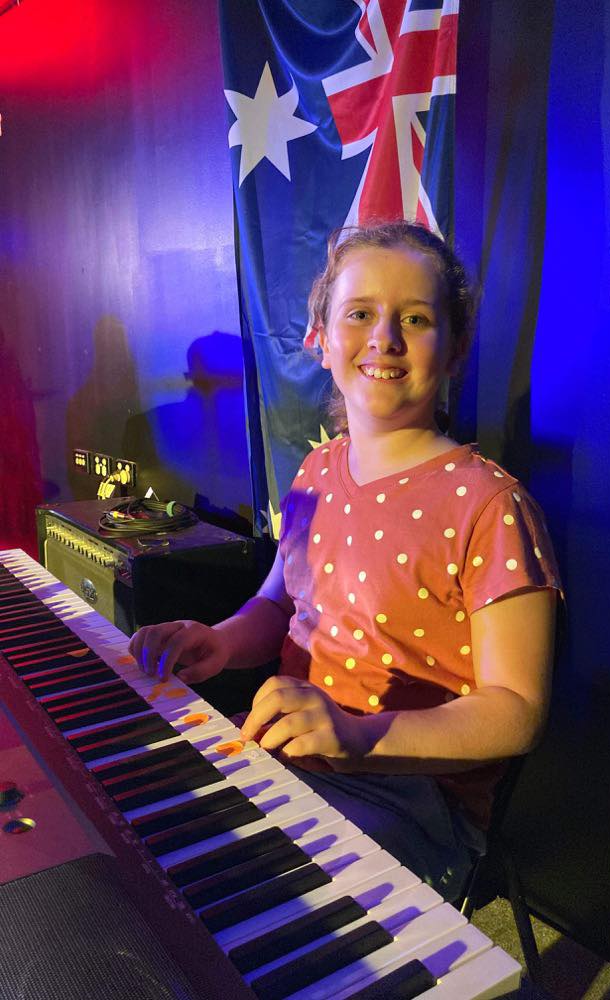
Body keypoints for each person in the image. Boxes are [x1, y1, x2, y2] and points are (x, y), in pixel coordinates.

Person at [129, 221, 561, 902]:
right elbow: (276, 607)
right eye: (360, 314)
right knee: (144, 836)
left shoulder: (489, 505)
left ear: (455, 350)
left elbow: (516, 712)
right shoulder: (318, 469)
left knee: (235, 895)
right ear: (322, 339)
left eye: (415, 319)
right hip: (295, 764)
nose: (384, 338)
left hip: (412, 802)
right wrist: (215, 642)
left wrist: (358, 734)